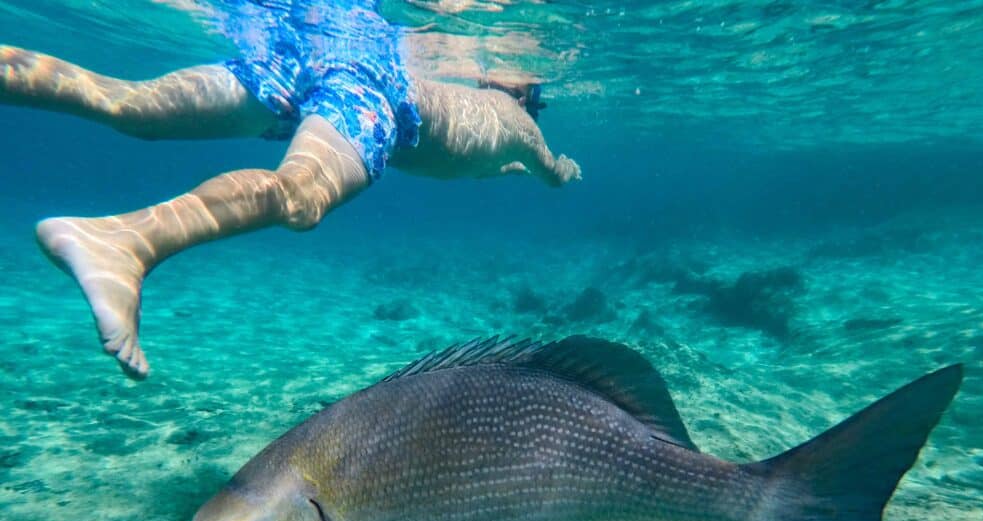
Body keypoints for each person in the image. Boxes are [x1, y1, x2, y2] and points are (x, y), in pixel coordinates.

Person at [0, 0, 581, 379]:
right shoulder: (521, 126)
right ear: (527, 96)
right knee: (300, 197)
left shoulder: (480, 111)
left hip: (305, 56)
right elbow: (551, 174)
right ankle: (126, 242)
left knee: (130, 105)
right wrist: (565, 170)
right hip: (370, 98)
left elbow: (477, 164)